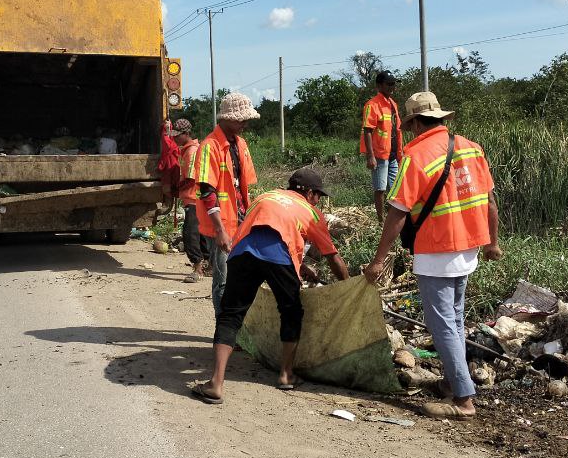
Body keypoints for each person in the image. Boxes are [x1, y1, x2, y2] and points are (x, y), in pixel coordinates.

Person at [364, 91, 502, 420]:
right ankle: (454, 382)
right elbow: (490, 202)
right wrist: (492, 244)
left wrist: (379, 260)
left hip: (437, 249)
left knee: (443, 325)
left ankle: (464, 400)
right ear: (439, 118)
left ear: (414, 124)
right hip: (469, 248)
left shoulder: (415, 154)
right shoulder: (471, 148)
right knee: (454, 319)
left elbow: (398, 213)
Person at [191, 168, 350, 404]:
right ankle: (286, 374)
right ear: (308, 193)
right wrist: (349, 287)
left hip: (242, 253)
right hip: (279, 258)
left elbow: (264, 234)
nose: (318, 200)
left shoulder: (265, 196)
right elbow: (332, 256)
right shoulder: (311, 212)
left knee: (230, 315)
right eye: (318, 195)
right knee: (291, 311)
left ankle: (216, 383)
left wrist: (299, 265)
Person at [194, 92, 259, 317]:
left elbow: (243, 187)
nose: (245, 124)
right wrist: (219, 230)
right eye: (241, 120)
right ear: (227, 118)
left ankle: (236, 324)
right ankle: (224, 328)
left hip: (240, 220)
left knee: (240, 277)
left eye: (246, 119)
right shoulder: (209, 146)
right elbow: (207, 191)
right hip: (221, 224)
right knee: (222, 280)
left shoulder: (240, 144)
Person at [361, 71, 404, 222]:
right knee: (380, 189)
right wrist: (370, 156)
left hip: (393, 154)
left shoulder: (393, 104)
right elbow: (367, 130)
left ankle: (392, 220)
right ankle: (381, 221)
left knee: (395, 189)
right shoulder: (372, 105)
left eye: (394, 84)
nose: (392, 87)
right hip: (379, 154)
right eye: (389, 84)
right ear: (379, 86)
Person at [172, 119, 211, 283]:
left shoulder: (192, 151)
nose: (175, 138)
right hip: (193, 198)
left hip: (194, 198)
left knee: (190, 234)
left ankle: (198, 268)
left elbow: (190, 179)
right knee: (200, 234)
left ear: (186, 134)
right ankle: (208, 264)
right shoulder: (186, 150)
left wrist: (176, 188)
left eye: (177, 136)